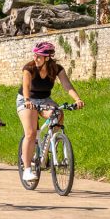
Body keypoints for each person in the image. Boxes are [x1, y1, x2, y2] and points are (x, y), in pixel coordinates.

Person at [18, 40, 85, 182]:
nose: (35, 58)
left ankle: (49, 145)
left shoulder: (56, 69)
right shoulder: (29, 68)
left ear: (47, 58)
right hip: (27, 99)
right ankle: (27, 170)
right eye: (35, 55)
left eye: (39, 56)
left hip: (44, 99)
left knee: (58, 114)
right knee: (30, 133)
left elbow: (67, 85)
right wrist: (27, 100)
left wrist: (77, 99)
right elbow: (26, 86)